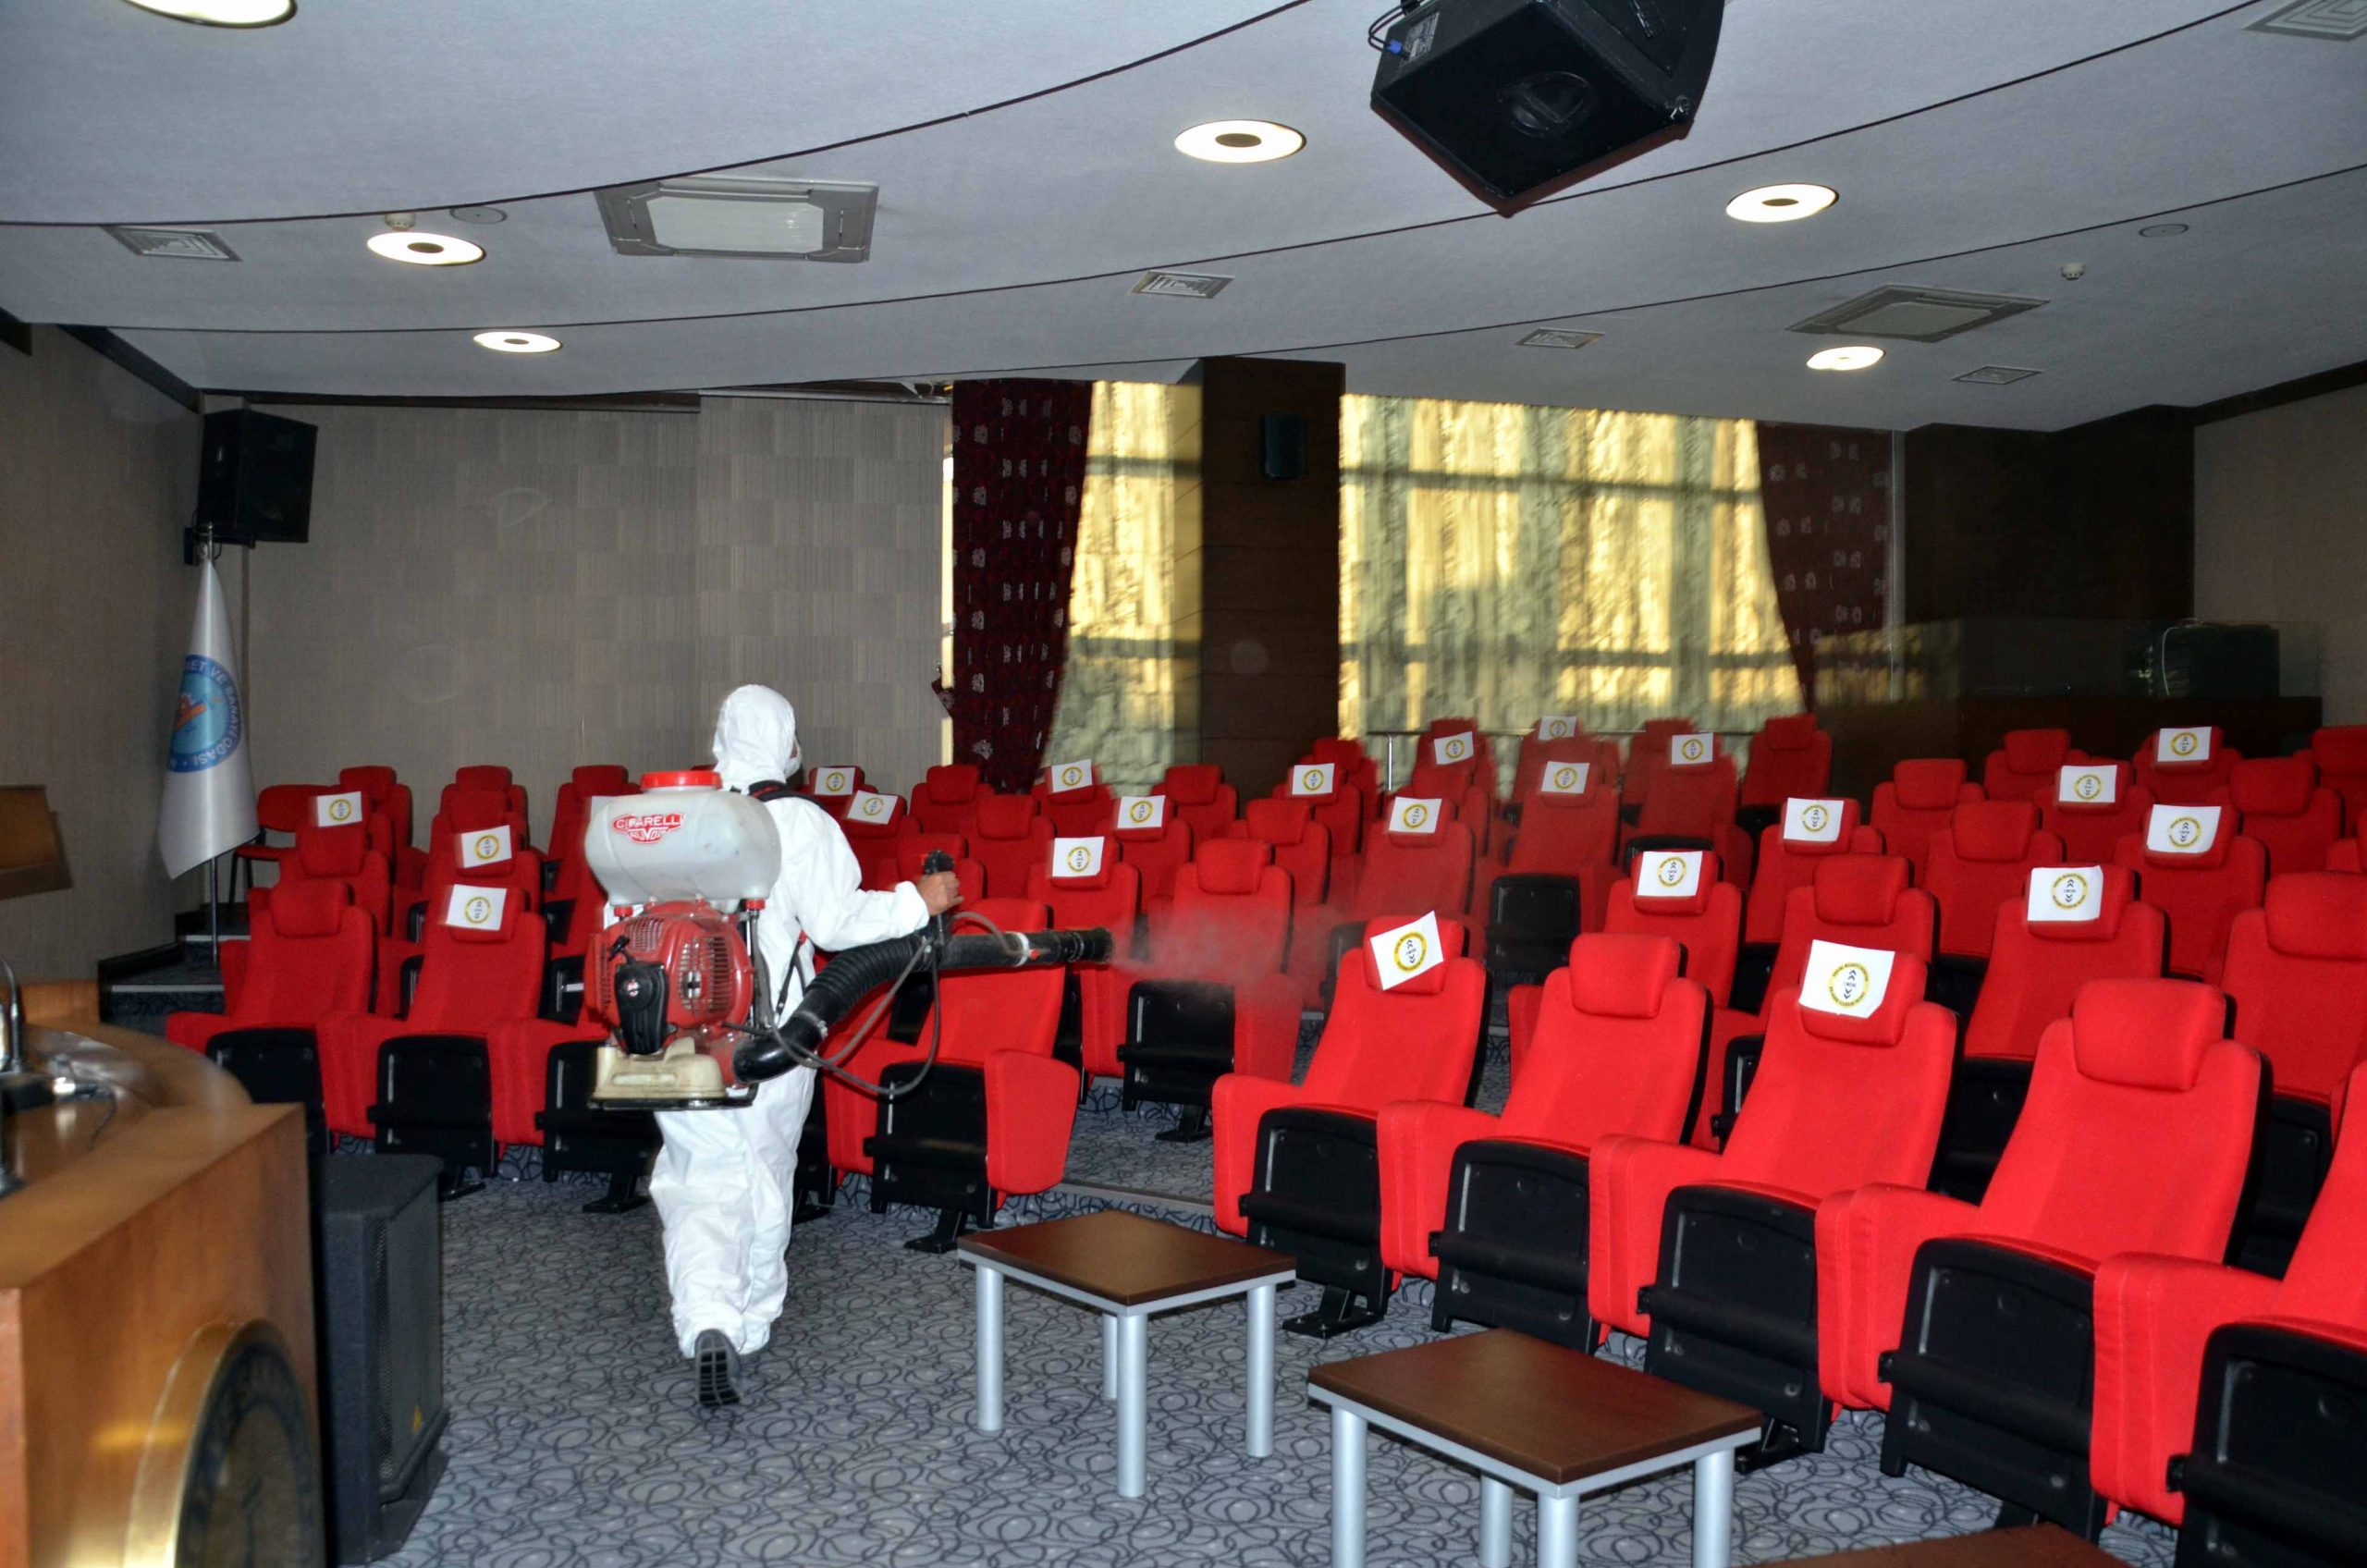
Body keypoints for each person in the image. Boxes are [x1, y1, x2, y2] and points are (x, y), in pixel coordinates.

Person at [654, 684, 960, 1407]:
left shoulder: (674, 820)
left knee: (696, 1183)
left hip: (667, 1036)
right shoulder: (795, 820)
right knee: (762, 1173)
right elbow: (837, 923)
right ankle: (752, 1320)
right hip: (768, 1038)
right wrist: (919, 900)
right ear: (784, 742)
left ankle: (707, 1321)